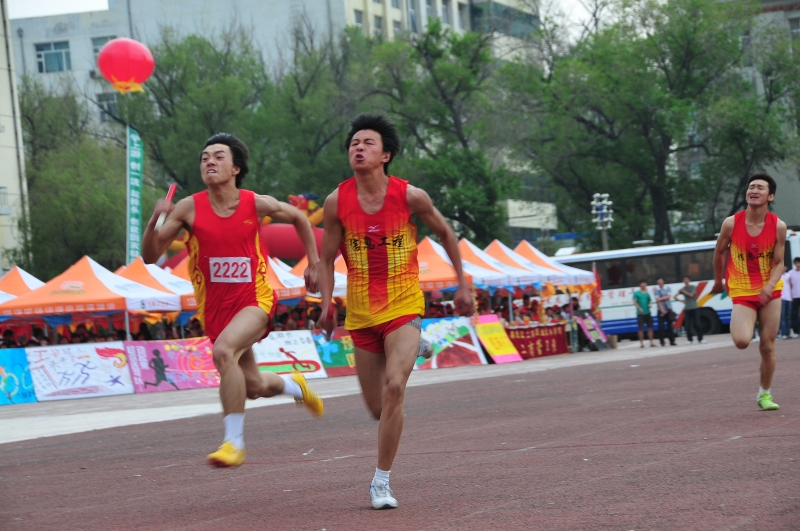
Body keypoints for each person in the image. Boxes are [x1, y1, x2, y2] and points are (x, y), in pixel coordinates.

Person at [317, 114, 473, 510]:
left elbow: (446, 233)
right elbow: (327, 258)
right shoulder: (336, 201)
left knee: (394, 389)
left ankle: (381, 482)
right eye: (354, 143)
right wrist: (326, 304)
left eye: (367, 142)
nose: (358, 147)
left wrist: (462, 283)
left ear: (385, 155)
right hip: (361, 315)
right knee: (377, 409)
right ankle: (414, 345)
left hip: (404, 304)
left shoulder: (409, 196)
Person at [142, 132, 325, 468]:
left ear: (236, 168)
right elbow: (150, 256)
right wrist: (156, 218)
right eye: (204, 158)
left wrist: (314, 262)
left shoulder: (255, 203)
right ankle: (296, 387)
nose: (209, 161)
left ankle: (233, 443)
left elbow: (300, 218)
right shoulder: (188, 208)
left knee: (224, 351)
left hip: (254, 300)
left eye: (218, 156)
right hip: (215, 311)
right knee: (252, 385)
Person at [712, 173, 785, 411]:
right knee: (742, 341)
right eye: (751, 187)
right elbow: (719, 252)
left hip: (769, 291)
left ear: (770, 196)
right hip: (742, 288)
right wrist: (718, 281)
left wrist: (770, 285)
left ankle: (765, 394)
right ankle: (748, 320)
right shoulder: (731, 223)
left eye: (760, 188)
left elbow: (779, 263)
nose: (754, 190)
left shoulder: (778, 226)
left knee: (767, 345)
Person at [676, 276, 705, 344]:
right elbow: (675, 296)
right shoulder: (683, 289)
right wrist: (682, 301)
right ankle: (689, 340)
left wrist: (683, 291)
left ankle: (700, 339)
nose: (686, 281)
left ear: (689, 280)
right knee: (687, 325)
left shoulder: (693, 287)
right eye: (684, 280)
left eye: (687, 279)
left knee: (697, 324)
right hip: (687, 309)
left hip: (694, 308)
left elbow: (691, 295)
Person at [653, 277, 676, 346]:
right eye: (658, 280)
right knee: (661, 326)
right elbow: (657, 301)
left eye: (661, 280)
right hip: (660, 310)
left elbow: (668, 297)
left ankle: (672, 341)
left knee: (670, 326)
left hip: (668, 309)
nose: (659, 281)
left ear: (663, 281)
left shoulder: (668, 288)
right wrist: (662, 309)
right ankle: (662, 342)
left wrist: (660, 298)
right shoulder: (656, 290)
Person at [633, 280, 655, 348]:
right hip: (640, 314)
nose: (644, 285)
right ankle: (641, 343)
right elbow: (635, 302)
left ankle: (651, 343)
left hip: (648, 312)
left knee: (650, 328)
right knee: (641, 329)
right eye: (642, 284)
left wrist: (650, 305)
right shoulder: (636, 293)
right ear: (640, 285)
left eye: (645, 284)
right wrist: (639, 308)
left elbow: (649, 301)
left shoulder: (647, 294)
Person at [778, 265, 796, 339]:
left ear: (786, 268)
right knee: (782, 317)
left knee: (788, 316)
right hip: (781, 298)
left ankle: (788, 333)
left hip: (789, 298)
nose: (783, 268)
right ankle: (783, 333)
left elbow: (792, 286)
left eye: (785, 266)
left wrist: (792, 296)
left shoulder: (789, 275)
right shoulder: (778, 276)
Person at [788, 257, 800, 336]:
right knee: (794, 314)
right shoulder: (791, 273)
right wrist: (790, 295)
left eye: (799, 262)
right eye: (796, 263)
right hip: (795, 296)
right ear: (794, 264)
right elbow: (788, 285)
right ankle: (796, 331)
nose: (798, 264)